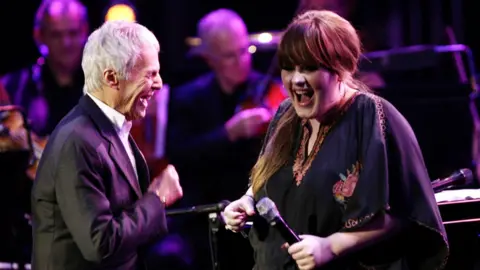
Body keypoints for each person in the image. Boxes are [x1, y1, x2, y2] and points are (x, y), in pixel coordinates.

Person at [223, 10, 449, 270]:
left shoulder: (372, 117)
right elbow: (267, 176)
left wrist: (331, 246)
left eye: (309, 68)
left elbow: (402, 213)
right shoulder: (286, 113)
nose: (296, 80)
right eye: (289, 67)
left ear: (341, 69)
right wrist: (246, 201)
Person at [31, 20, 183, 270]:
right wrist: (157, 199)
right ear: (112, 78)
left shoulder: (113, 128)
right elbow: (100, 243)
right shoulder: (78, 142)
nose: (158, 84)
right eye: (150, 74)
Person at [166, 8, 286, 269]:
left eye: (245, 51)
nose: (242, 60)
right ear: (209, 59)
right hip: (207, 219)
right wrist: (227, 134)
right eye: (230, 56)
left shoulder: (269, 90)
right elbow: (178, 156)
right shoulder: (188, 98)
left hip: (261, 214)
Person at [1, 0, 88, 138]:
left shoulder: (106, 84)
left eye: (73, 33)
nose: (66, 43)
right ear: (39, 36)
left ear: (85, 31)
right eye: (56, 35)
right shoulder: (13, 86)